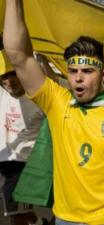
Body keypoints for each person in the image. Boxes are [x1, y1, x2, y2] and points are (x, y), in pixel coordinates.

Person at [3, 0, 104, 224]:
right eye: (73, 71)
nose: (78, 78)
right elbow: (19, 56)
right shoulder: (57, 101)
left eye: (87, 71)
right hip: (65, 219)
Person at [0, 50, 46, 225]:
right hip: (4, 163)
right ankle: (42, 222)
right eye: (5, 76)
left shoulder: (37, 99)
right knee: (24, 212)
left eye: (13, 74)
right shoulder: (2, 94)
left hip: (24, 165)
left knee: (16, 215)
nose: (9, 80)